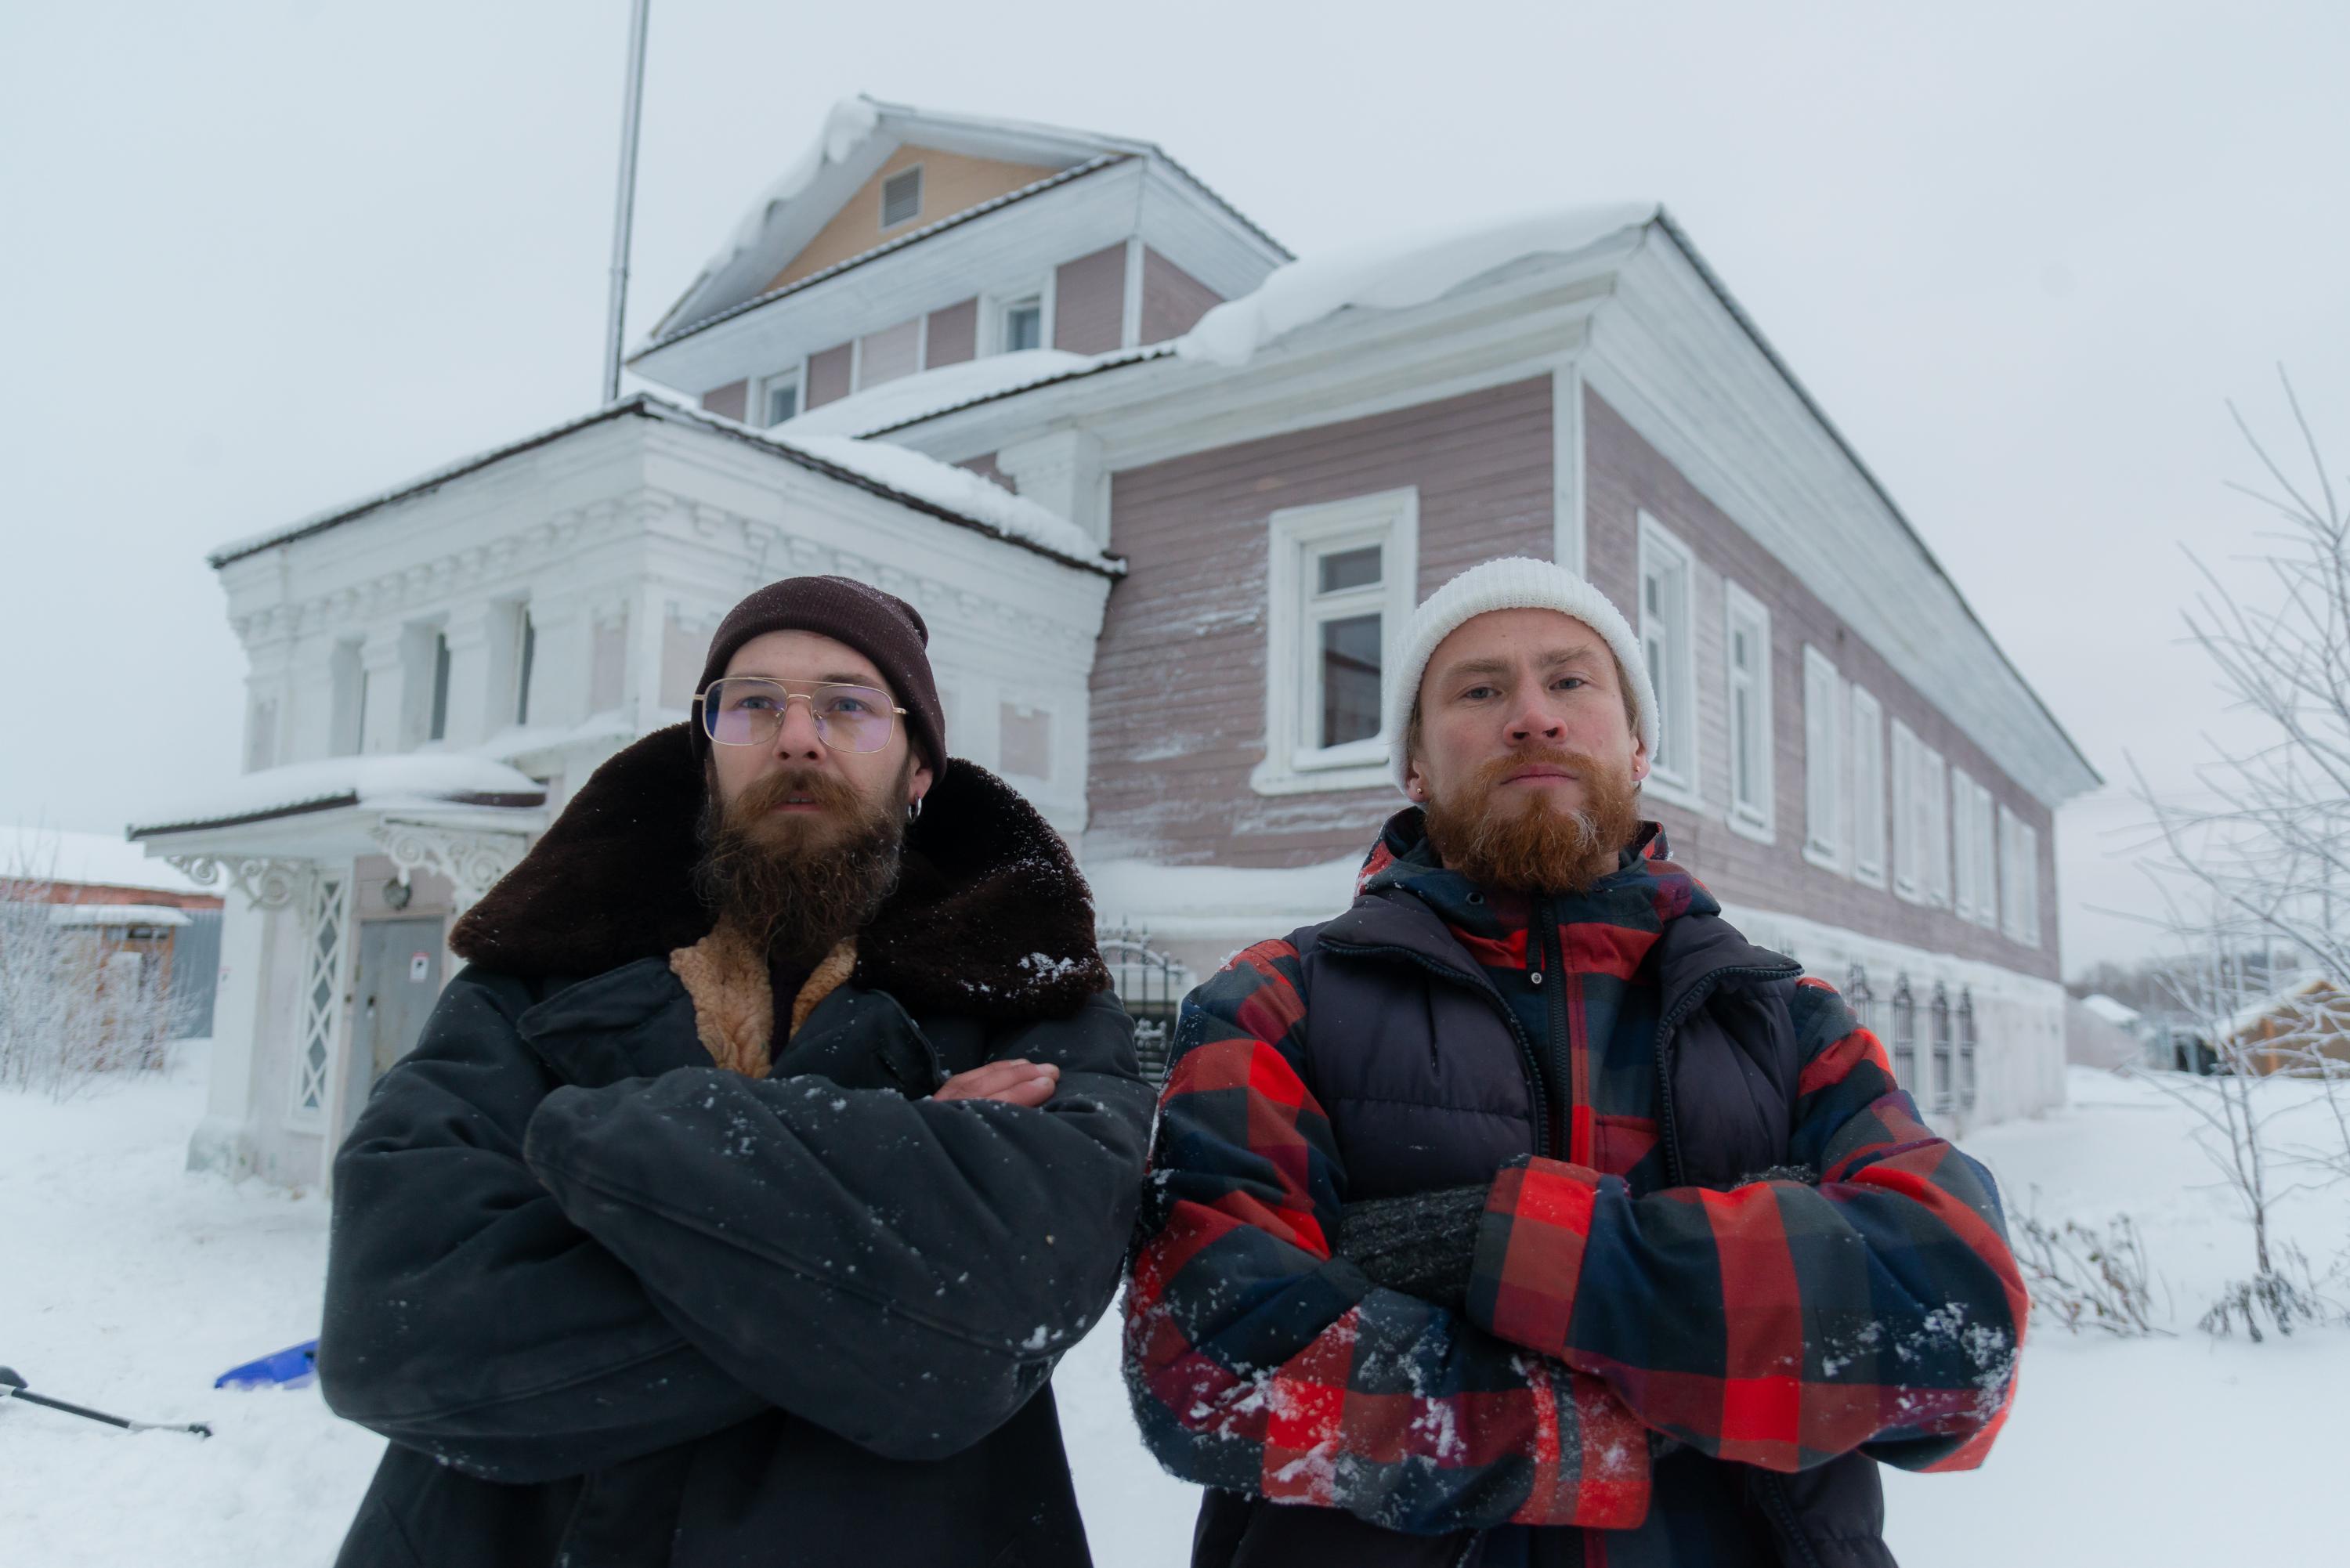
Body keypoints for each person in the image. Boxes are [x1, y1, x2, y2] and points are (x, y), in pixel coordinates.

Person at [1123, 557, 2025, 1568]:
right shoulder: (1275, 1004)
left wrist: (1495, 1243)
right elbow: (1214, 1371)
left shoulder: (1787, 1021)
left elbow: (1958, 1338)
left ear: (1636, 746)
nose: (1532, 717)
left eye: (1570, 680)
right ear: (1415, 763)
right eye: (1477, 689)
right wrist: (1695, 1380)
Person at [320, 576, 1154, 1568]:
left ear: (920, 765)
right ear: (708, 750)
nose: (797, 738)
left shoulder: (1032, 996)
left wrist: (613, 1143)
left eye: (848, 706)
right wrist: (886, 1224)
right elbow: (395, 1330)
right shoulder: (533, 980)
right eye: (753, 703)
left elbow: (1002, 1304)